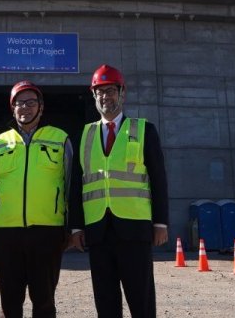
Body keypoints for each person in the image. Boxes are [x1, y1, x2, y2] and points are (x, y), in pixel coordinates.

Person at [69, 64, 167, 318]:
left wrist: (161, 223)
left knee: (141, 298)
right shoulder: (86, 134)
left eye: (110, 90)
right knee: (105, 300)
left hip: (135, 228)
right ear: (94, 96)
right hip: (98, 230)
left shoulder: (144, 130)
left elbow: (158, 179)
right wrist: (77, 227)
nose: (105, 97)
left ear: (122, 93)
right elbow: (77, 183)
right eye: (99, 92)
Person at [0, 81, 75, 318]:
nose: (25, 107)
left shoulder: (60, 139)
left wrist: (72, 229)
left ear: (41, 107)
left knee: (44, 302)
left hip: (48, 233)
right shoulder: (0, 143)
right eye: (19, 103)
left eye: (31, 102)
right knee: (9, 302)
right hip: (5, 234)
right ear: (12, 109)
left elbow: (71, 186)